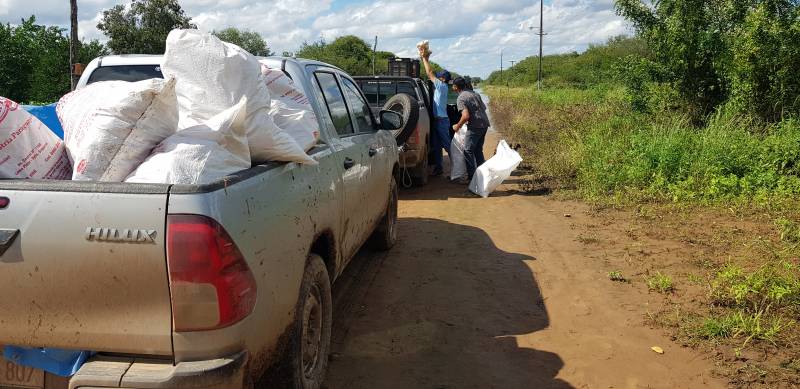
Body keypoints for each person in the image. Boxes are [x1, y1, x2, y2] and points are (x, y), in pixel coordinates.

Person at [419, 48, 451, 177]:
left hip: (442, 121)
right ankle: (439, 168)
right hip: (438, 121)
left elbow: (429, 73)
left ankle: (458, 168)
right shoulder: (441, 87)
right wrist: (425, 58)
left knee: (448, 146)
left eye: (438, 77)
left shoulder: (441, 86)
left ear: (442, 79)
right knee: (437, 146)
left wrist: (424, 59)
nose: (435, 78)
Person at [451, 76, 490, 182]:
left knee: (467, 151)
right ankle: (482, 175)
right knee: (478, 150)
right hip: (484, 124)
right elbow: (483, 108)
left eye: (453, 86)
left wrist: (457, 126)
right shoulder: (475, 93)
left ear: (456, 87)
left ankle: (472, 177)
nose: (452, 88)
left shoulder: (461, 98)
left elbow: (466, 116)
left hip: (475, 126)